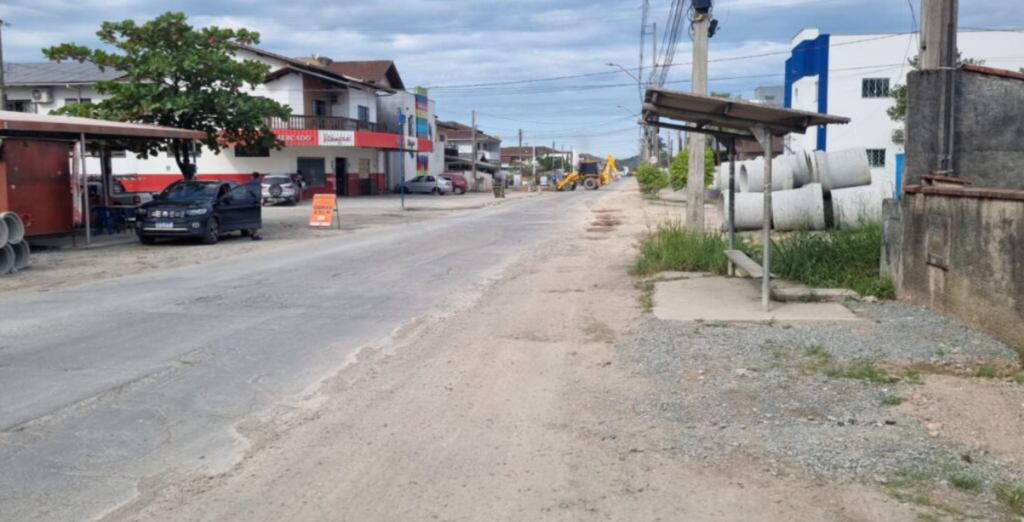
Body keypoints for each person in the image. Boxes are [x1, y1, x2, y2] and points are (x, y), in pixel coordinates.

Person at [247, 172, 263, 240]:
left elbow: (246, 192)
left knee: (249, 218)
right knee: (256, 219)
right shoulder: (258, 184)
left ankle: (250, 232)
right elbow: (259, 194)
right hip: (256, 203)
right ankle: (255, 234)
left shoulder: (249, 183)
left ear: (252, 176)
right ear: (258, 177)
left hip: (249, 202)